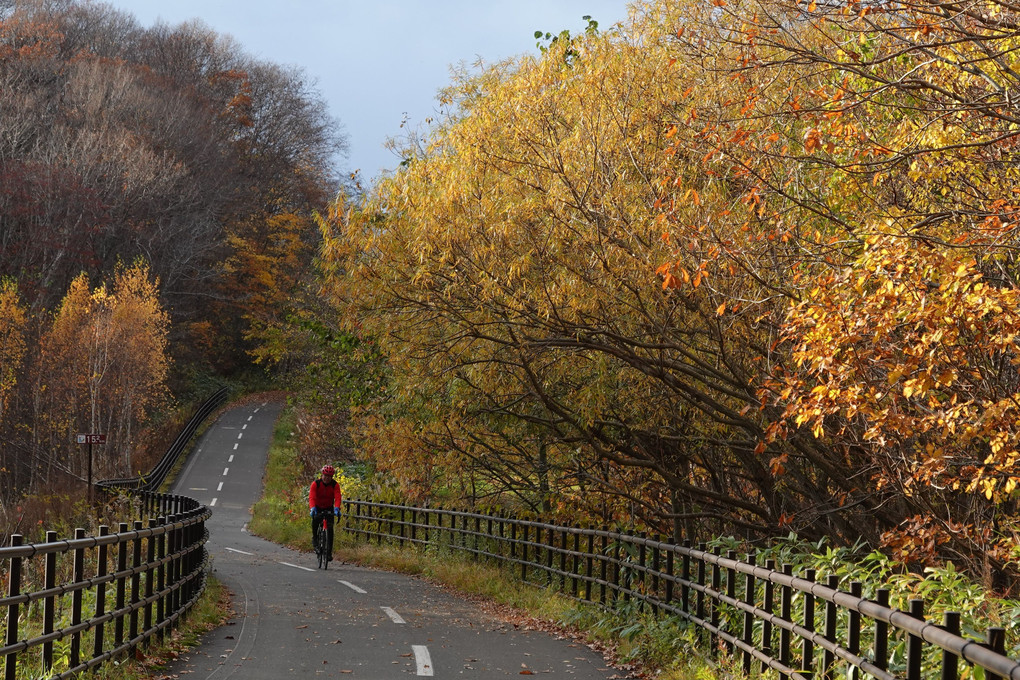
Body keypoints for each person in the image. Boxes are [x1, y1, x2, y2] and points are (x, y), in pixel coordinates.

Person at [309, 464, 343, 561]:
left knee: (330, 528)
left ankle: (328, 552)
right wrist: (312, 508)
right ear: (322, 475)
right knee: (315, 521)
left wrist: (337, 508)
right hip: (318, 507)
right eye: (325, 476)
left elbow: (337, 497)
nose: (327, 478)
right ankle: (315, 539)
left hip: (329, 507)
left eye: (329, 477)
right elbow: (312, 497)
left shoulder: (335, 485)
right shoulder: (316, 484)